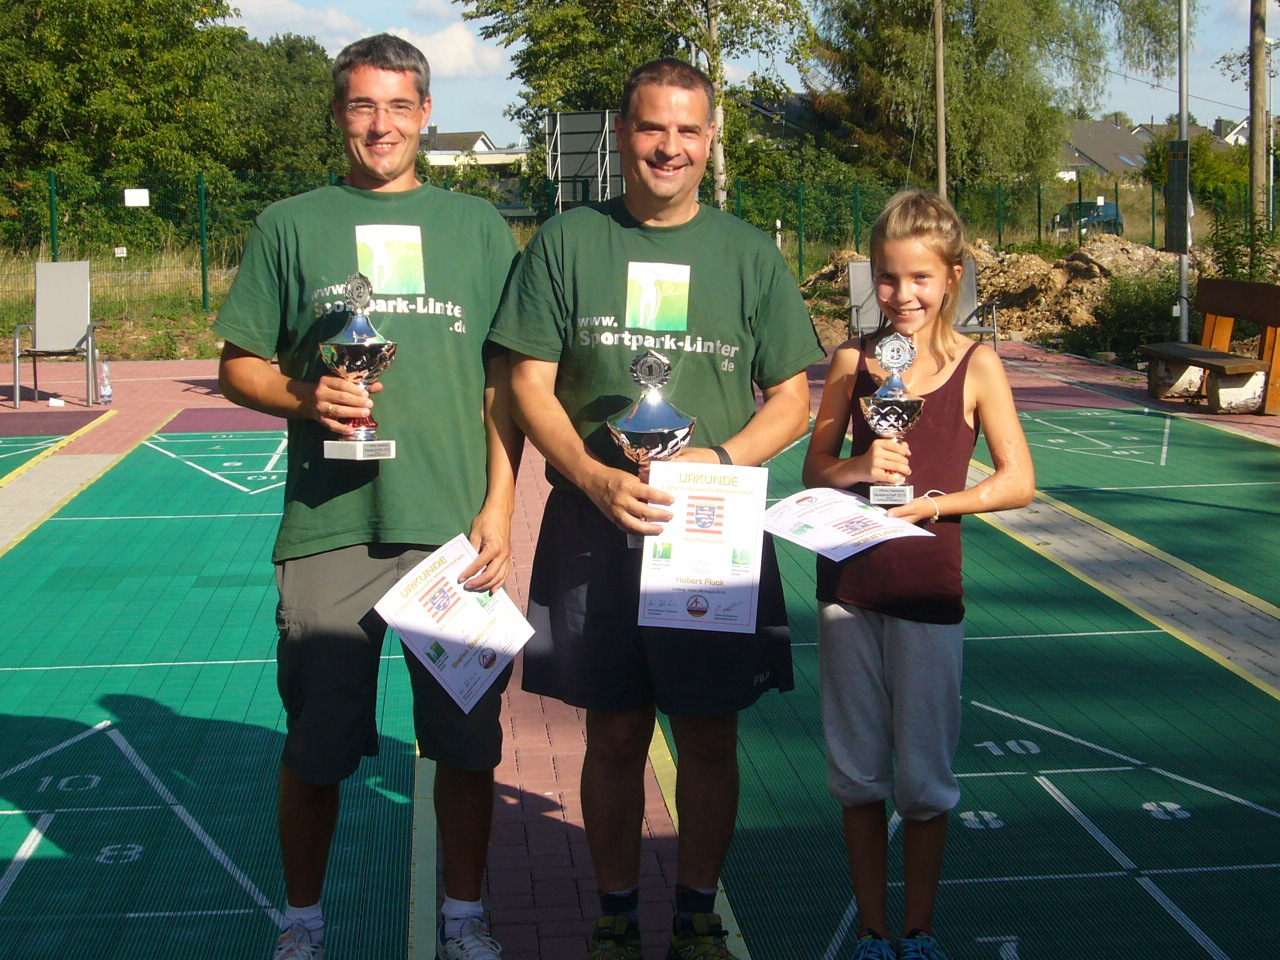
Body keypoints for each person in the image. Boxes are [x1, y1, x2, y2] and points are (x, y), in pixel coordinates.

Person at [489, 58, 825, 960]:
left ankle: (697, 915)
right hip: (595, 526)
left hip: (708, 532)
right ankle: (612, 912)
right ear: (623, 136)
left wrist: (716, 463)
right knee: (613, 734)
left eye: (688, 130)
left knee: (710, 735)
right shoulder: (566, 242)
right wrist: (592, 477)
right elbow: (527, 382)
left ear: (712, 140)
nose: (668, 147)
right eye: (651, 128)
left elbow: (793, 398)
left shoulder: (750, 253)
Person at [213, 34, 522, 960]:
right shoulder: (290, 223)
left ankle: (464, 919)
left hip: (451, 528)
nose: (379, 125)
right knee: (316, 750)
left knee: (467, 749)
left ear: (426, 114)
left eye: (397, 106)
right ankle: (302, 924)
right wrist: (307, 395)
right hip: (330, 526)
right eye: (360, 105)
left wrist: (500, 509)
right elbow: (236, 366)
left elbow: (508, 385)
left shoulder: (479, 229)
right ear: (337, 113)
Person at [801, 189, 1035, 960]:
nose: (903, 296)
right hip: (850, 592)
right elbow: (815, 467)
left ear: (953, 279)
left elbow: (1017, 481)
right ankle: (873, 931)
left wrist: (935, 505)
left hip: (929, 594)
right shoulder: (850, 362)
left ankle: (920, 930)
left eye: (921, 280)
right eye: (889, 279)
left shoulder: (979, 364)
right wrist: (861, 466)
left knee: (926, 783)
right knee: (858, 777)